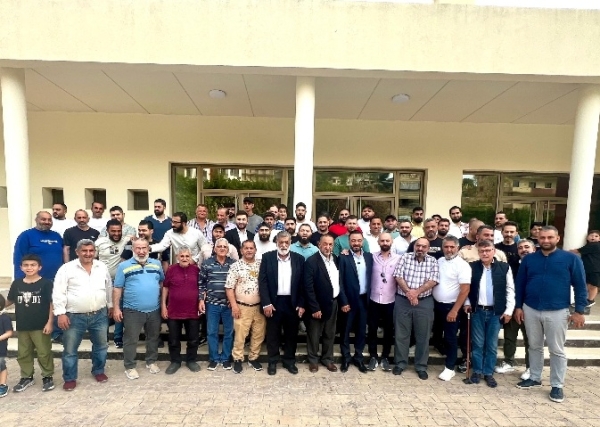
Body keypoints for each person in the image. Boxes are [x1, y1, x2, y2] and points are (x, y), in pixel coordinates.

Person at [514, 226, 587, 403]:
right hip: (531, 308)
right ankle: (535, 377)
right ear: (537, 239)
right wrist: (518, 307)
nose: (546, 240)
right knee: (534, 346)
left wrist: (579, 311)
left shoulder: (571, 259)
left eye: (549, 237)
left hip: (558, 310)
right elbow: (520, 284)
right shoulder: (529, 259)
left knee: (556, 349)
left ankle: (557, 385)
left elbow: (580, 285)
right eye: (542, 238)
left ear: (557, 238)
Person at [53, 239, 113, 391]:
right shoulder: (66, 269)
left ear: (95, 252)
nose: (88, 254)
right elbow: (58, 292)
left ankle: (98, 371)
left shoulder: (101, 266)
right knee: (70, 350)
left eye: (91, 251)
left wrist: (110, 305)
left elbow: (108, 287)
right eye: (84, 251)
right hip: (74, 316)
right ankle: (69, 378)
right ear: (77, 252)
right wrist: (60, 313)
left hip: (99, 314)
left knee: (101, 346)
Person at [465, 240, 515, 388]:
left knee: (492, 345)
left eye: (488, 250)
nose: (485, 253)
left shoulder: (504, 267)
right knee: (478, 344)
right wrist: (467, 303)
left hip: (495, 312)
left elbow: (510, 290)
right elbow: (466, 288)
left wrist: (509, 311)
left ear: (494, 251)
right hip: (477, 311)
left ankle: (488, 373)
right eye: (482, 251)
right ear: (478, 252)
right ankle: (477, 371)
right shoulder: (472, 267)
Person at [113, 239, 164, 380]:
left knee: (153, 337)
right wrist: (116, 308)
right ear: (133, 249)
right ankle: (130, 366)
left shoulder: (157, 264)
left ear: (148, 249)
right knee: (131, 339)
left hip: (154, 309)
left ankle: (151, 361)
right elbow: (117, 288)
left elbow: (161, 283)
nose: (141, 251)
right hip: (132, 310)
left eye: (144, 248)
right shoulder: (123, 266)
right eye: (138, 248)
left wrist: (162, 303)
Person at [6, 254, 54, 393]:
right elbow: (10, 300)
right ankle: (27, 376)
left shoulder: (46, 284)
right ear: (21, 267)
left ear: (40, 267)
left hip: (41, 325)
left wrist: (50, 322)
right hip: (23, 325)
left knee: (43, 352)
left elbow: (52, 304)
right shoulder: (17, 284)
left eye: (33, 265)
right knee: (23, 353)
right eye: (26, 265)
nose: (29, 268)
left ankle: (47, 376)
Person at [259, 231, 305, 375]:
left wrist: (302, 304)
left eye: (286, 242)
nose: (284, 245)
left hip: (292, 303)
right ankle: (272, 362)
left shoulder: (299, 259)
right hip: (274, 302)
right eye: (281, 242)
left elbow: (303, 284)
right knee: (273, 334)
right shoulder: (267, 258)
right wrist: (266, 303)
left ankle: (289, 361)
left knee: (292, 334)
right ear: (276, 243)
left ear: (290, 243)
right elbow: (262, 282)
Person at [13, 211, 63, 343]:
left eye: (49, 220)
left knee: (55, 305)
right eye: (43, 219)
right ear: (36, 220)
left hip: (56, 279)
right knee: (38, 307)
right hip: (36, 279)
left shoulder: (56, 236)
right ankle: (37, 335)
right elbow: (19, 257)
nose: (47, 222)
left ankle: (56, 333)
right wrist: (20, 279)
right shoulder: (26, 236)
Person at [393, 237, 439, 379]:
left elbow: (433, 280)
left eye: (424, 246)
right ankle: (400, 363)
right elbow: (398, 276)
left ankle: (421, 366)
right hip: (403, 300)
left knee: (423, 335)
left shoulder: (433, 261)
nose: (420, 248)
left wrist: (416, 293)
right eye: (418, 245)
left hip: (424, 302)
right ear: (414, 246)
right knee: (401, 334)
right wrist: (409, 293)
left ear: (428, 248)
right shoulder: (405, 257)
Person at [496, 238, 535, 380]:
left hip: (531, 308)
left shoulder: (539, 264)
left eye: (527, 247)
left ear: (533, 249)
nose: (524, 250)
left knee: (530, 340)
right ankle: (509, 361)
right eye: (520, 248)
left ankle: (531, 367)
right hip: (513, 306)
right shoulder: (511, 265)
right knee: (509, 337)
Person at [433, 236, 471, 381]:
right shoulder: (439, 261)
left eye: (452, 247)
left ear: (457, 248)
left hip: (452, 306)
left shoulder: (462, 265)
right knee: (437, 335)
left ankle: (450, 368)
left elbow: (465, 290)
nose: (449, 250)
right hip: (436, 305)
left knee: (450, 337)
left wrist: (455, 310)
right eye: (446, 247)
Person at [304, 234, 344, 373]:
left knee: (329, 333)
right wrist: (314, 308)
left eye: (330, 244)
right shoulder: (311, 261)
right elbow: (308, 287)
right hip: (317, 305)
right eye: (325, 244)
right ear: (319, 245)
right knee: (314, 335)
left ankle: (327, 359)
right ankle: (313, 360)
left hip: (333, 303)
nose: (327, 247)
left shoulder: (336, 259)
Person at [225, 240, 266, 374]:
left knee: (259, 334)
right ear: (241, 251)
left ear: (255, 250)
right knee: (240, 335)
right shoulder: (235, 266)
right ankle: (238, 359)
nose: (249, 250)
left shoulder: (262, 265)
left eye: (251, 248)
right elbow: (229, 287)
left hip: (260, 307)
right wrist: (234, 306)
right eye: (246, 248)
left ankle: (253, 358)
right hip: (242, 307)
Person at [161, 246, 201, 375]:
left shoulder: (196, 270)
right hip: (174, 311)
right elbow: (165, 288)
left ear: (191, 257)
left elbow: (202, 287)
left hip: (192, 311)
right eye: (182, 256)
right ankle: (175, 361)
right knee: (173, 340)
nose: (184, 258)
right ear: (177, 257)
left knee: (193, 339)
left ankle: (191, 360)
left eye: (187, 256)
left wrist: (201, 302)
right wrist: (163, 306)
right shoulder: (171, 269)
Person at [199, 238, 236, 371]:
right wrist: (201, 300)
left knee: (229, 332)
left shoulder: (233, 264)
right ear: (214, 249)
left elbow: (237, 284)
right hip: (212, 304)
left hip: (228, 305)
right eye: (219, 246)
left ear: (228, 249)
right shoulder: (207, 263)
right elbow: (201, 283)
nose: (222, 248)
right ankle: (214, 358)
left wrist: (234, 301)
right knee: (212, 332)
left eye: (224, 247)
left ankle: (225, 358)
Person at [339, 231, 373, 373]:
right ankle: (346, 358)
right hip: (349, 300)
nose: (356, 243)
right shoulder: (343, 257)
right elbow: (339, 281)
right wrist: (343, 301)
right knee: (345, 330)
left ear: (363, 241)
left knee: (361, 330)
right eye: (353, 240)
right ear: (349, 242)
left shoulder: (369, 257)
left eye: (359, 240)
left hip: (364, 300)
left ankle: (358, 357)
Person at [367, 233, 399, 372]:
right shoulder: (371, 257)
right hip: (373, 299)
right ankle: (373, 356)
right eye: (382, 240)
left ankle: (385, 356)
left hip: (390, 299)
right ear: (378, 242)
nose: (385, 243)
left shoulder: (399, 258)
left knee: (388, 330)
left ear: (391, 242)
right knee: (372, 329)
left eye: (387, 240)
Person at [570, 229, 600, 307]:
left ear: (599, 239)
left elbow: (577, 251)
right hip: (589, 269)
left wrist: (565, 252)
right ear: (587, 237)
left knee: (593, 285)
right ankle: (585, 300)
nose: (593, 237)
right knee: (588, 285)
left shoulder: (595, 245)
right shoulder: (589, 245)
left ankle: (590, 300)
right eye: (591, 235)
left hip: (595, 269)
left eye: (596, 236)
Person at [0, 295, 14, 398]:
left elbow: (9, 333)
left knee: (1, 365)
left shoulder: (4, 318)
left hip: (1, 348)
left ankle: (3, 385)